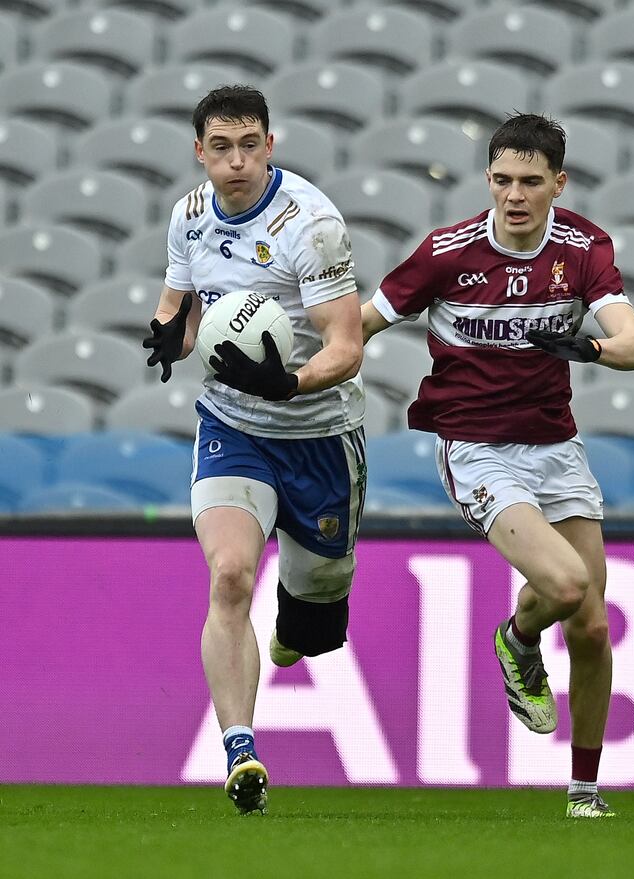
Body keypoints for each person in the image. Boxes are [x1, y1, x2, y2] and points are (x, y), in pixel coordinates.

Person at [361, 113, 634, 818]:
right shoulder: (446, 252)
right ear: (487, 179)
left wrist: (587, 347)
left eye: (530, 181)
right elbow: (361, 321)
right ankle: (517, 640)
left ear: (559, 182)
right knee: (565, 580)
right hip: (477, 446)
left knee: (589, 625)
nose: (514, 195)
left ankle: (584, 791)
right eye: (501, 180)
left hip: (556, 447)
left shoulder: (583, 248)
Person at [143, 85, 366, 815]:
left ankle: (296, 625)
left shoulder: (313, 224)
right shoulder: (190, 216)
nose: (235, 162)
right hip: (231, 426)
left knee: (314, 610)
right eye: (220, 147)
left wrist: (289, 381)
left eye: (249, 146)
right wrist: (167, 336)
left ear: (270, 145)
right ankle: (241, 748)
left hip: (318, 436)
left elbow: (347, 345)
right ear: (199, 152)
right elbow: (179, 305)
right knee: (231, 573)